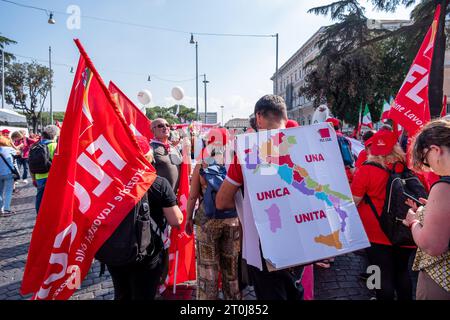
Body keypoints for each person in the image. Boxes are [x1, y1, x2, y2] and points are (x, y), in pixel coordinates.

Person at [216, 94, 304, 300]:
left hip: (266, 240)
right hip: (303, 236)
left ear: (259, 117)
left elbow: (222, 201)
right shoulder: (307, 141)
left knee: (271, 292)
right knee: (294, 288)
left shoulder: (249, 151)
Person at [105, 136, 184, 300]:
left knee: (121, 293)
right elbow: (176, 221)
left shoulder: (108, 183)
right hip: (147, 253)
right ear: (148, 158)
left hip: (114, 252)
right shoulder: (159, 183)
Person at [351, 130, 414, 300]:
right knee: (402, 272)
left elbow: (353, 201)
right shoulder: (407, 168)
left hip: (376, 232)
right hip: (404, 231)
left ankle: (378, 297)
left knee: (377, 272)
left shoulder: (366, 170)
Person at [185, 127, 241, 300]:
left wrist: (188, 219)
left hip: (206, 220)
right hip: (232, 219)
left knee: (207, 268)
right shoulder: (235, 163)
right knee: (231, 265)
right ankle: (234, 299)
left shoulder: (202, 164)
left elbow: (193, 196)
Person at [403, 119, 450, 300]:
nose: (429, 166)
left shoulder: (444, 187)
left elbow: (432, 245)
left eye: (425, 159)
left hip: (441, 281)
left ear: (435, 150)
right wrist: (432, 208)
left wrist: (413, 221)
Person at [30, 125, 59, 214]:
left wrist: (33, 178)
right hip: (53, 177)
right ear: (55, 135)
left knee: (39, 198)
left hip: (39, 177)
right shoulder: (56, 146)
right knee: (55, 198)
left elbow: (31, 164)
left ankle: (39, 216)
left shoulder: (35, 146)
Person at [0, 136, 20, 217]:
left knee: (0, 192)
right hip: (8, 173)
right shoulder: (9, 149)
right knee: (8, 192)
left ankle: (0, 209)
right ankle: (6, 209)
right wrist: (12, 144)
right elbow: (18, 153)